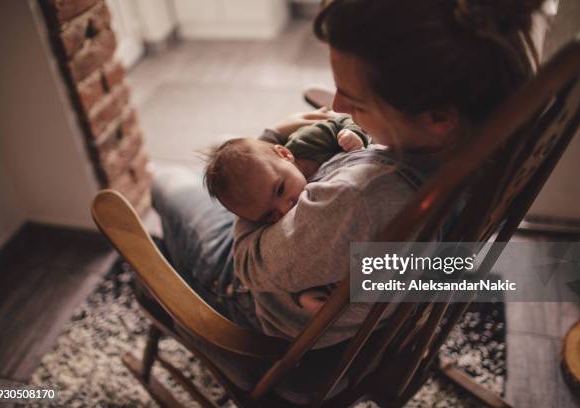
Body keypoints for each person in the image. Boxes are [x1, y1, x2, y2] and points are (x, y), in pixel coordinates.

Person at [152, 0, 544, 347]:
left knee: (169, 185)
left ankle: (156, 194)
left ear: (437, 117)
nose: (337, 105)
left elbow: (249, 267)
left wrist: (269, 138)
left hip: (253, 299)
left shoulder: (360, 199)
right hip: (368, 298)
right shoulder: (495, 136)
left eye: (353, 99)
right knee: (227, 158)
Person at [203, 115, 369, 223]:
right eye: (269, 215)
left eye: (280, 190)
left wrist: (351, 133)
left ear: (285, 153)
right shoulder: (269, 184)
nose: (285, 209)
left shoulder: (306, 141)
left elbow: (341, 121)